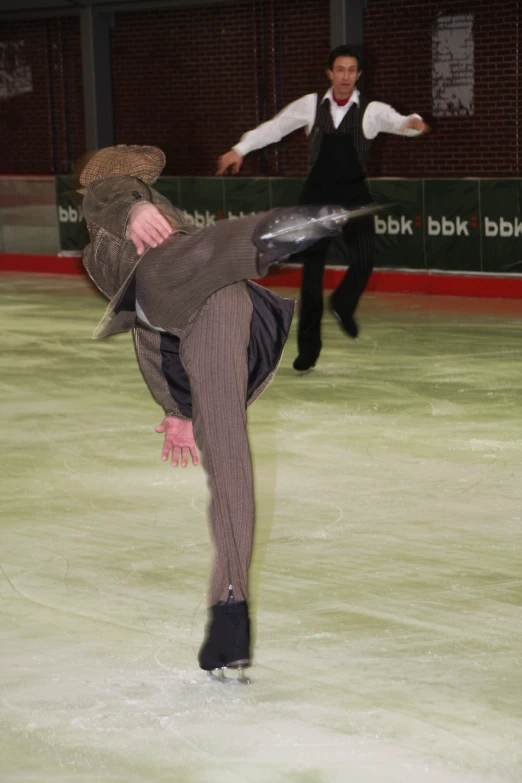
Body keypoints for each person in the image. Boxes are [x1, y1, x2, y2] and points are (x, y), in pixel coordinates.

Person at [79, 144, 356, 678]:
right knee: (228, 463)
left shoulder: (116, 197)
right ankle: (229, 620)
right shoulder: (141, 225)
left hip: (191, 277)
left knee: (178, 263)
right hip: (213, 309)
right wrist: (176, 408)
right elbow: (149, 331)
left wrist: (133, 209)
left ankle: (263, 236)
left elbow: (113, 193)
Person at [217, 45, 429, 371]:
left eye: (352, 70)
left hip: (354, 197)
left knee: (365, 258)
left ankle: (343, 302)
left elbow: (399, 122)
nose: (345, 76)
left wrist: (413, 122)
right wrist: (239, 148)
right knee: (312, 276)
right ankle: (308, 350)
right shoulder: (310, 105)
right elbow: (275, 128)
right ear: (330, 73)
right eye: (339, 70)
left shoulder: (371, 110)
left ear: (359, 75)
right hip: (315, 200)